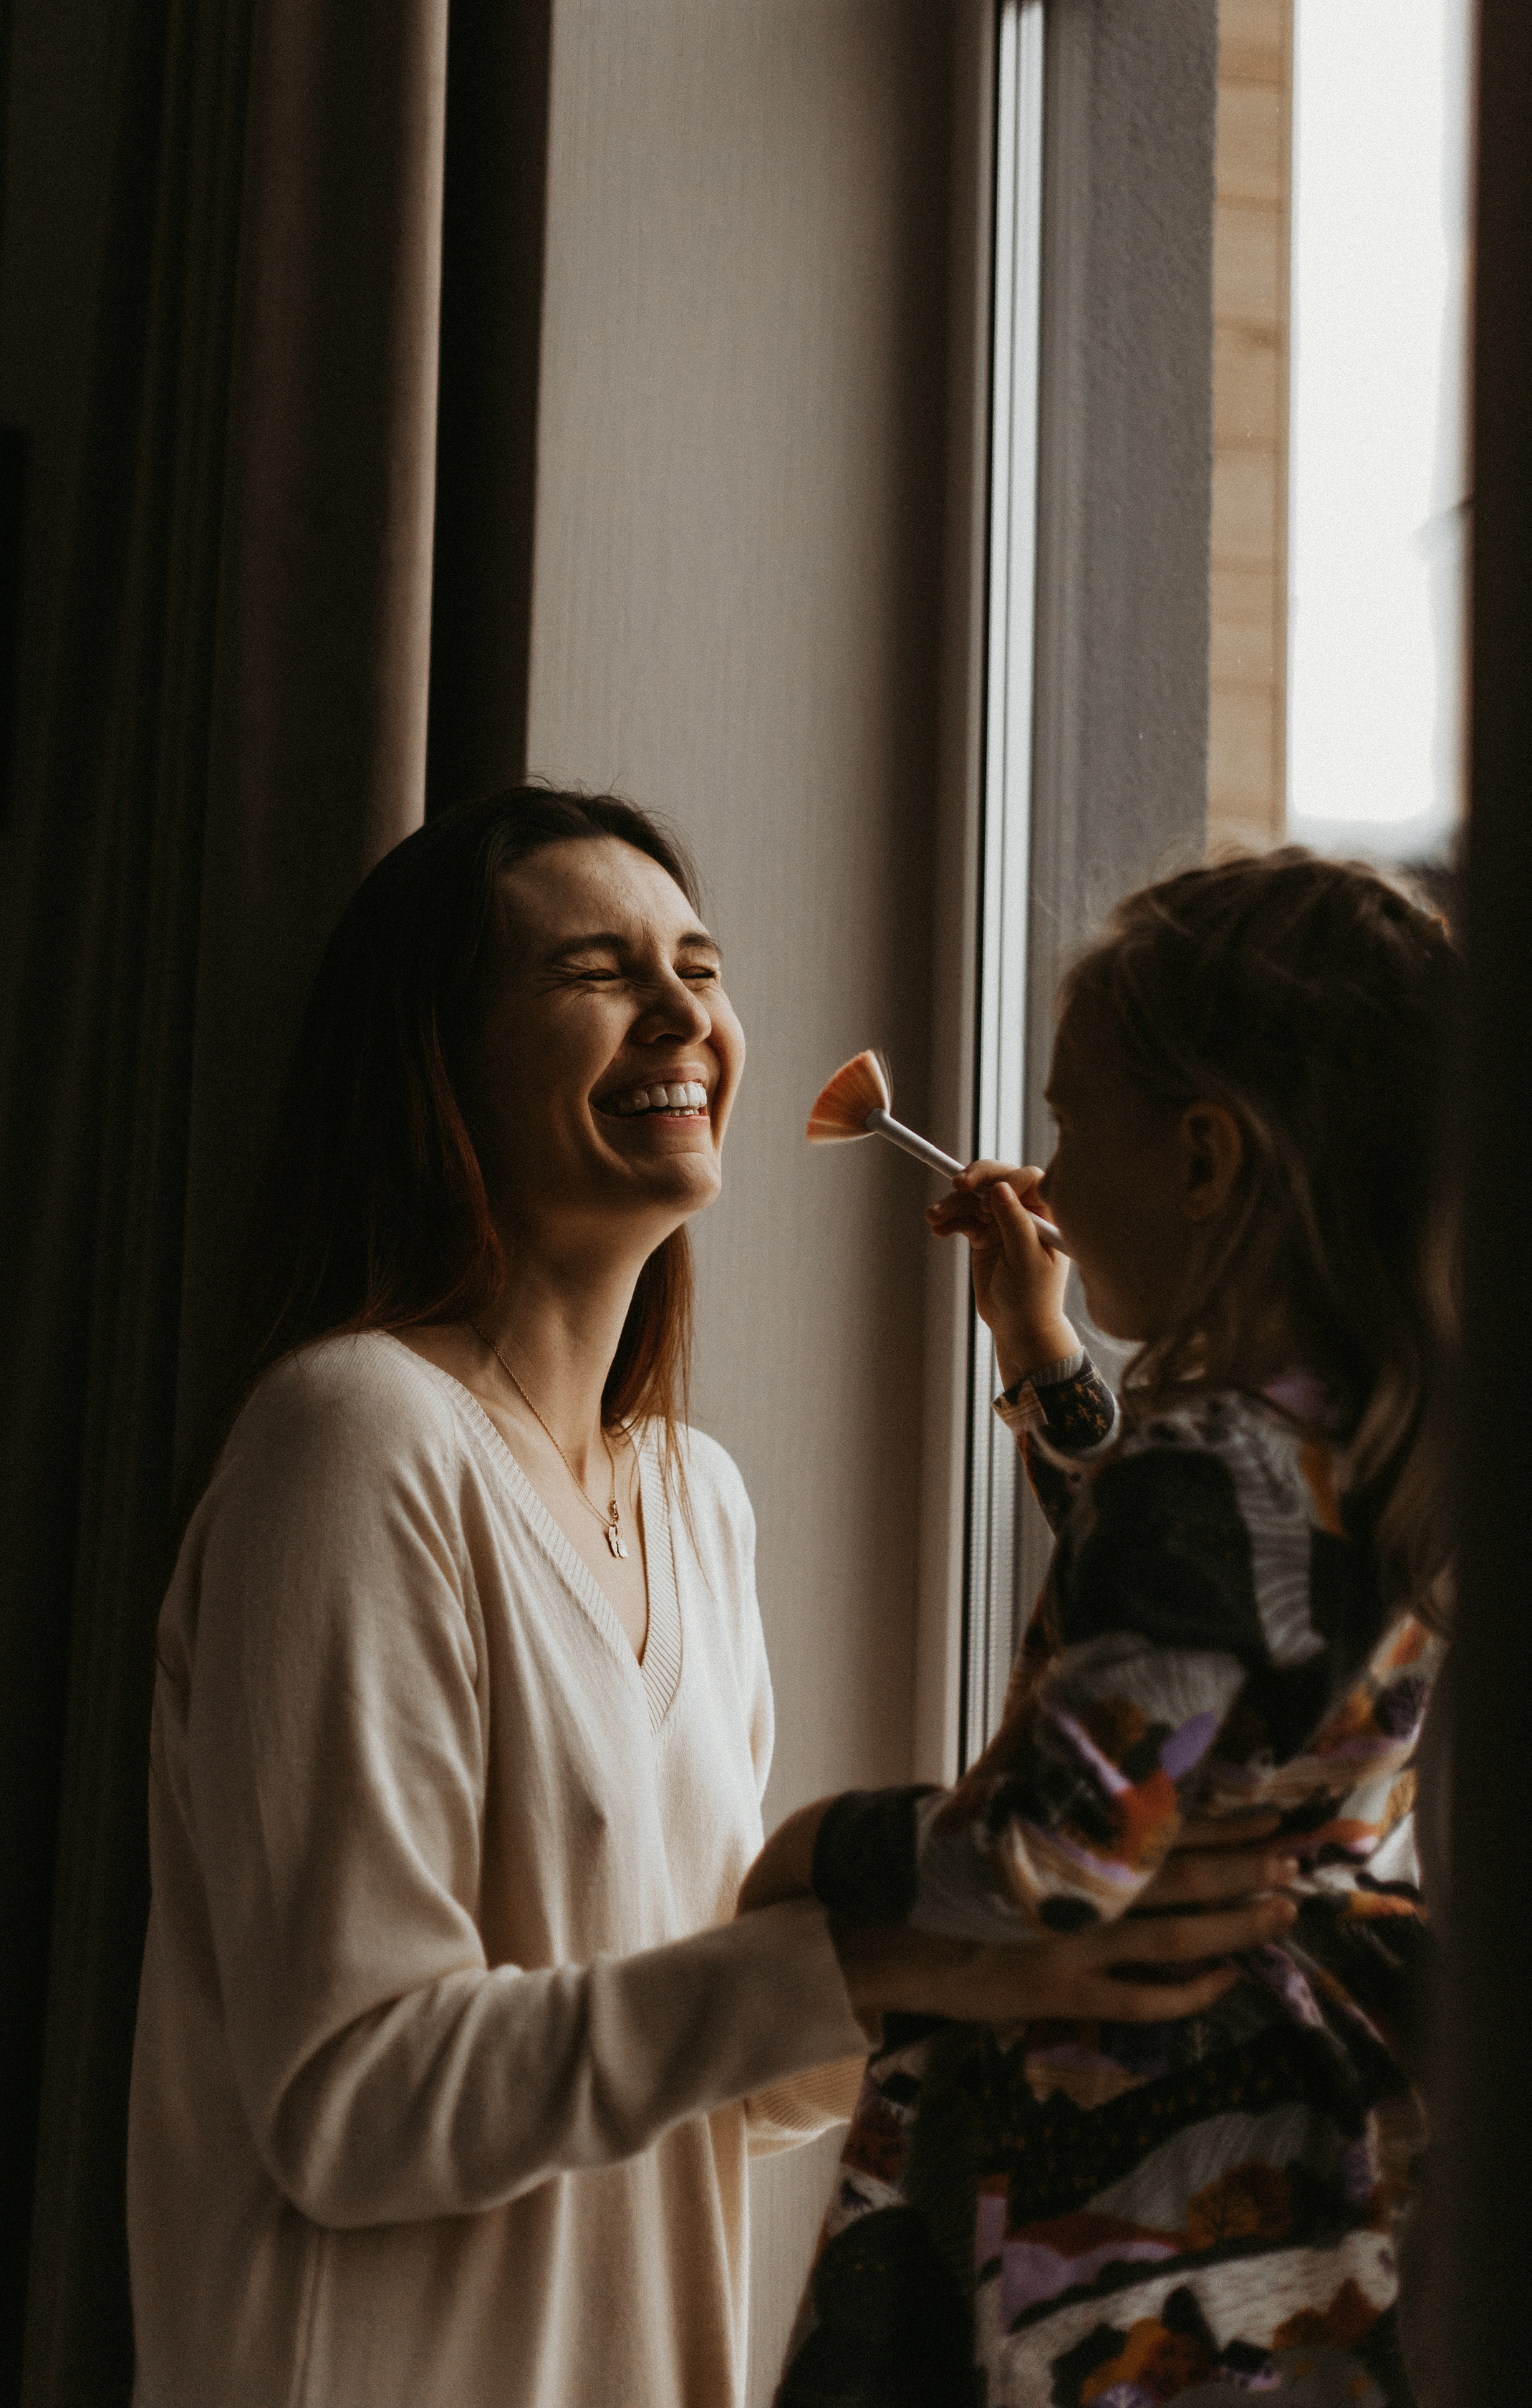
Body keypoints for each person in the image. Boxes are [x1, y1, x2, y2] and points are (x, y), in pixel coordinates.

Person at [126, 787, 1303, 2408]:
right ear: (435, 1059)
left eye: (697, 963)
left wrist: (989, 1950)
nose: (683, 1010)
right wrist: (879, 1948)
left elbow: (719, 2067)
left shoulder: (697, 1500)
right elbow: (355, 2105)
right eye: (595, 972)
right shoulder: (354, 1441)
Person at [745, 849, 1456, 2407]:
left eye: (1068, 1123)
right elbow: (1216, 1644)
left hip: (1126, 2145)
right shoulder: (1366, 1448)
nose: (1044, 1177)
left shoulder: (1200, 1475)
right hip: (1316, 2143)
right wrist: (1043, 1353)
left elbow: (1050, 1865)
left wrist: (821, 1855)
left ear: (1203, 1160)